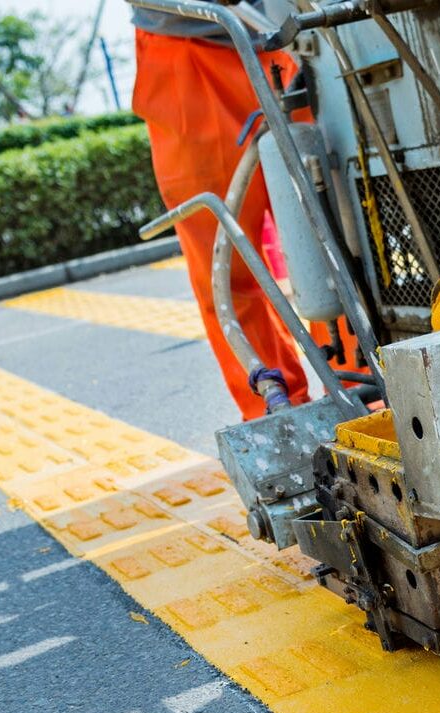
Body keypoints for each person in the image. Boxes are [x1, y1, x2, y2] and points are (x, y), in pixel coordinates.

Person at [131, 8, 310, 421]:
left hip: (292, 34)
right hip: (186, 44)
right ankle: (278, 409)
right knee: (224, 256)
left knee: (332, 232)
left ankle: (370, 383)